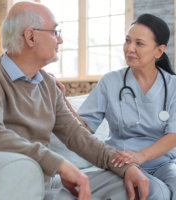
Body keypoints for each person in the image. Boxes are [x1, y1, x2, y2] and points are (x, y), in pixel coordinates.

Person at [0, 1, 150, 200]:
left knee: (126, 186)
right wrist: (58, 164)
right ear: (30, 36)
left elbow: (78, 136)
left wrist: (126, 166)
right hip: (18, 183)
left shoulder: (48, 84)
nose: (60, 41)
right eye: (55, 32)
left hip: (49, 180)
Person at [59, 13, 176, 200]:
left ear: (159, 51)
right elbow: (85, 127)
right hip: (122, 162)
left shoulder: (172, 85)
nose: (129, 48)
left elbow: (173, 135)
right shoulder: (110, 81)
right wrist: (62, 100)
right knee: (156, 193)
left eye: (139, 43)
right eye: (127, 40)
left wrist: (141, 156)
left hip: (163, 163)